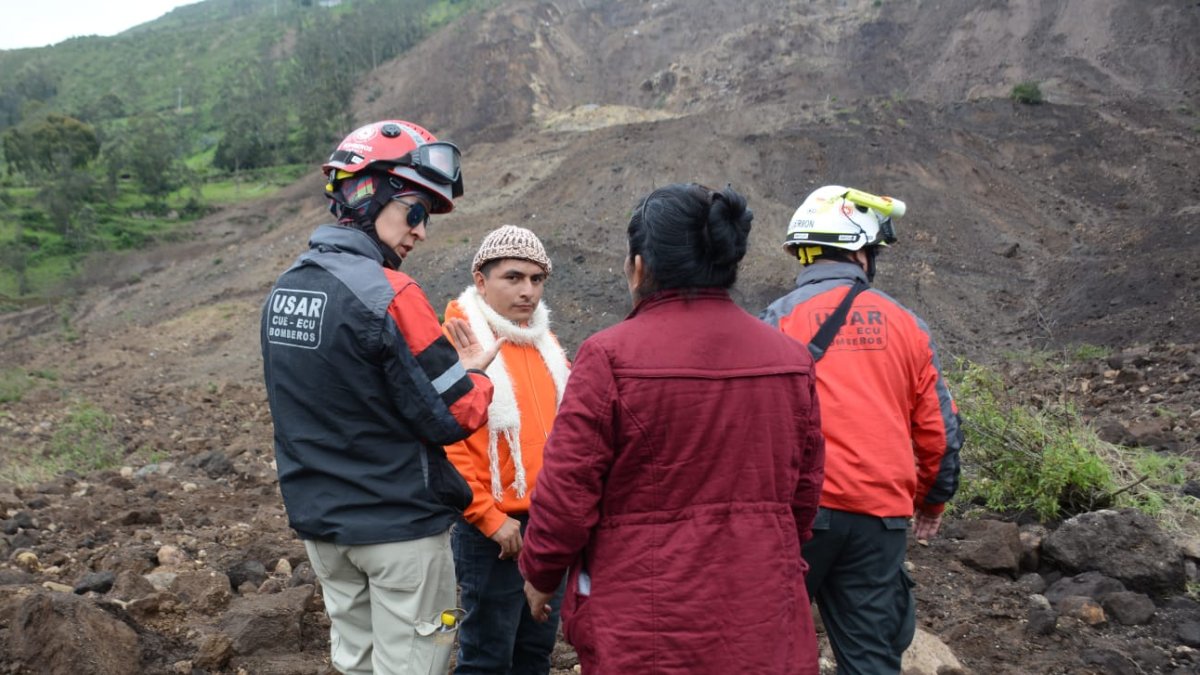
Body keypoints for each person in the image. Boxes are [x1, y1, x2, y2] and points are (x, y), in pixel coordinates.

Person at [518, 183, 826, 675]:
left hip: (644, 611)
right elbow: (805, 491)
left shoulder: (609, 356)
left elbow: (567, 491)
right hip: (760, 597)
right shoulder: (789, 359)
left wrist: (540, 573)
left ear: (639, 266)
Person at [260, 119, 500, 675]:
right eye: (416, 211)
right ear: (370, 194)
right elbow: (454, 412)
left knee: (357, 663)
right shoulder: (391, 293)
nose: (420, 231)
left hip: (323, 530)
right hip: (398, 531)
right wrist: (476, 375)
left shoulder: (286, 289)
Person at [759, 185, 964, 675]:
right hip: (882, 519)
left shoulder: (776, 321)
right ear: (858, 251)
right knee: (871, 658)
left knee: (769, 648)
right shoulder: (907, 324)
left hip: (801, 517)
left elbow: (756, 425)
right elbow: (939, 429)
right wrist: (933, 500)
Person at [441, 225, 571, 674]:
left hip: (546, 524)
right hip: (492, 534)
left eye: (537, 280)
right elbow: (446, 443)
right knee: (487, 657)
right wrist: (490, 518)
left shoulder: (545, 342)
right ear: (481, 279)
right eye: (513, 278)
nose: (528, 291)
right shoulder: (459, 341)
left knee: (534, 652)